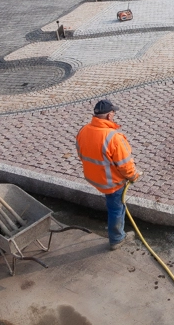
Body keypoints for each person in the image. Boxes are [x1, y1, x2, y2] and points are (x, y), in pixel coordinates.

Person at [76, 99, 141, 249]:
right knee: (116, 208)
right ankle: (117, 238)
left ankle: (117, 235)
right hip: (112, 183)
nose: (114, 115)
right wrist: (133, 176)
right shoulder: (113, 138)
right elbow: (125, 166)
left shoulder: (83, 130)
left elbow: (81, 154)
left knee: (113, 205)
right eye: (113, 112)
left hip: (94, 178)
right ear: (109, 116)